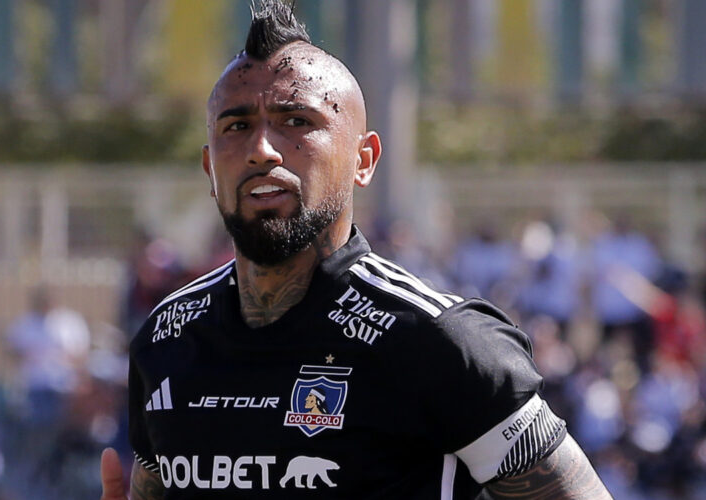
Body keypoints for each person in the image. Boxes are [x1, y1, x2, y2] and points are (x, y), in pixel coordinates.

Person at [101, 1, 612, 498]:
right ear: (212, 170)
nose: (261, 149)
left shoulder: (441, 342)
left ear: (363, 160)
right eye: (236, 126)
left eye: (296, 121)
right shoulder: (166, 337)